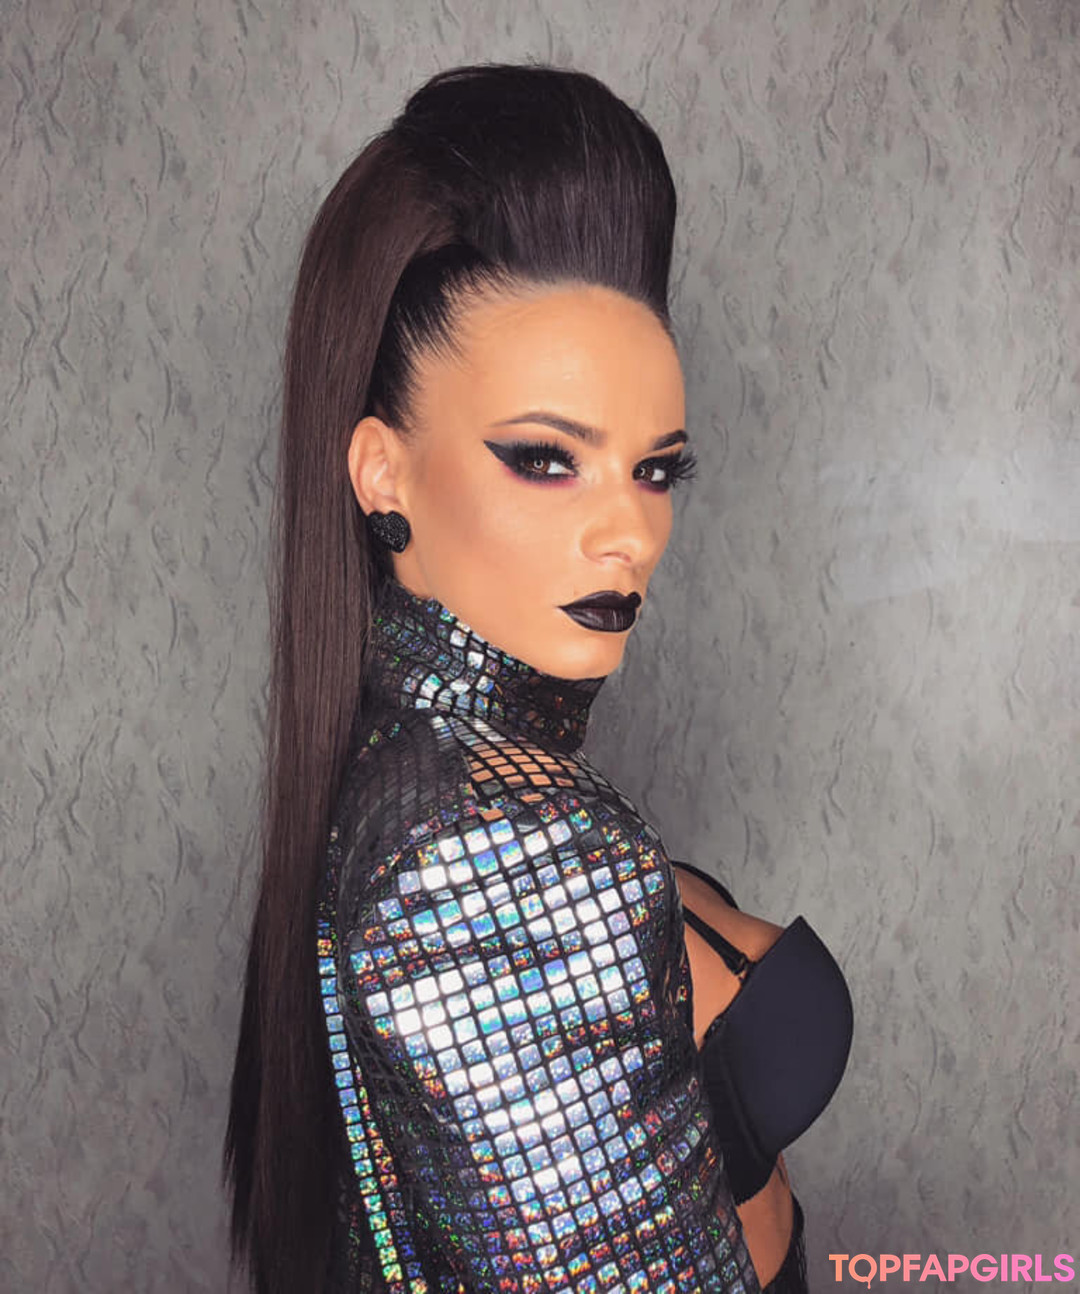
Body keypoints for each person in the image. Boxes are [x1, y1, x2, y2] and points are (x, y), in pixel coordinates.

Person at [224, 61, 853, 1294]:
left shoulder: (421, 777)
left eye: (657, 470)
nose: (629, 532)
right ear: (382, 471)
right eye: (546, 460)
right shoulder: (496, 852)